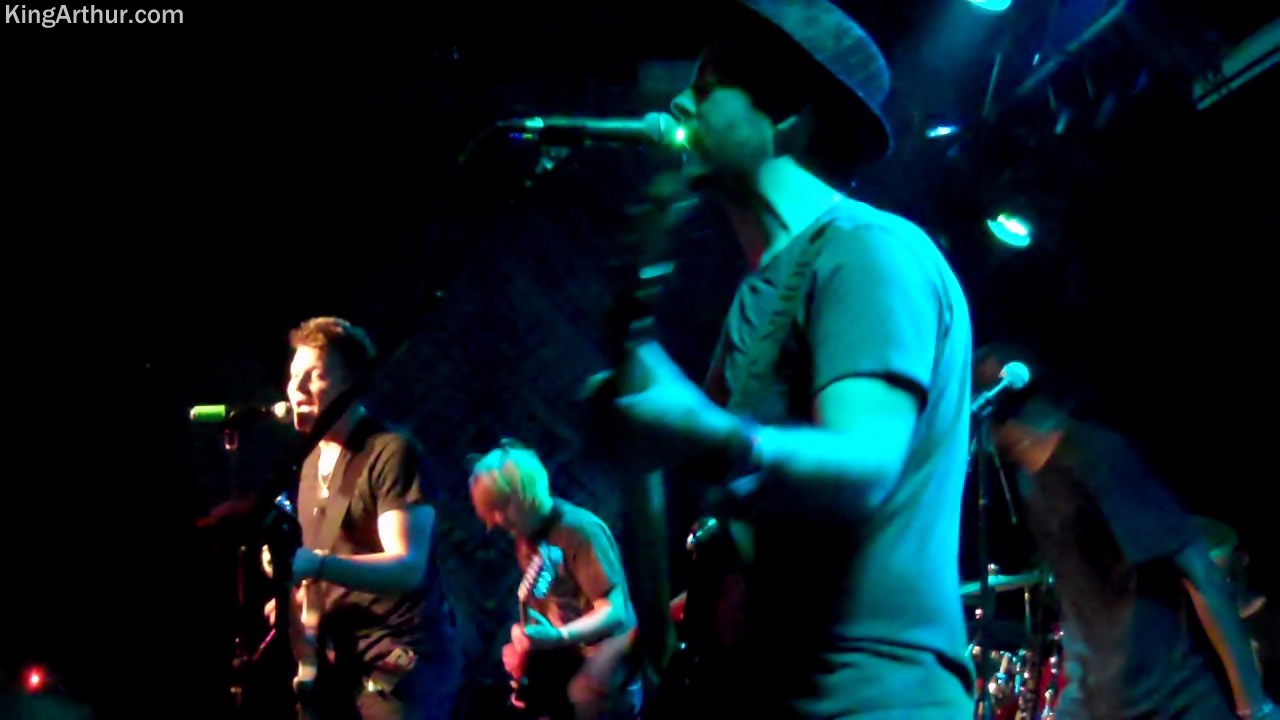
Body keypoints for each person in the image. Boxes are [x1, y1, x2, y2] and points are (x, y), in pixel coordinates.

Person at [601, 1, 977, 716]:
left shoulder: (866, 251)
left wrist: (711, 438)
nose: (679, 103)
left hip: (866, 699)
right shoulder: (759, 290)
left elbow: (866, 462)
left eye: (708, 86)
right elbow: (728, 502)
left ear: (784, 112)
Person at [973, 343, 1276, 719]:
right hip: (1096, 699)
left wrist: (1253, 705)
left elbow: (1200, 573)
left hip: (1170, 700)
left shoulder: (1097, 458)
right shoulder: (1032, 482)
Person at [269, 316, 461, 720]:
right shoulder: (308, 465)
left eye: (313, 376)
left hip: (399, 661)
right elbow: (323, 571)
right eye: (293, 377)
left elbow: (408, 567)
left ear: (351, 383)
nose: (296, 390)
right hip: (341, 662)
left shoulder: (390, 452)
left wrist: (316, 564)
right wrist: (293, 597)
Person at [467, 438, 642, 720]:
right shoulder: (526, 536)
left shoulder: (579, 530)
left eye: (502, 507)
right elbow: (546, 599)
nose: (497, 520)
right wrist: (526, 636)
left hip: (612, 641)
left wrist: (560, 636)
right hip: (572, 645)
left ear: (526, 495)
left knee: (583, 693)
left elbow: (615, 610)